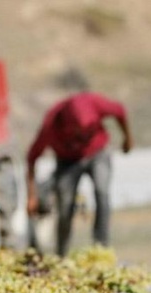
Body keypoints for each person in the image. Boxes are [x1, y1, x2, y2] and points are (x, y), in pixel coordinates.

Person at [25, 92, 133, 256]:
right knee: (65, 206)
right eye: (78, 132)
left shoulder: (94, 102)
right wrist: (32, 196)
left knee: (102, 192)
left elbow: (120, 111)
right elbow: (32, 157)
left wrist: (127, 138)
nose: (83, 136)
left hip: (98, 153)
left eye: (88, 131)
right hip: (68, 162)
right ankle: (62, 254)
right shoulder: (52, 123)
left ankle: (101, 248)